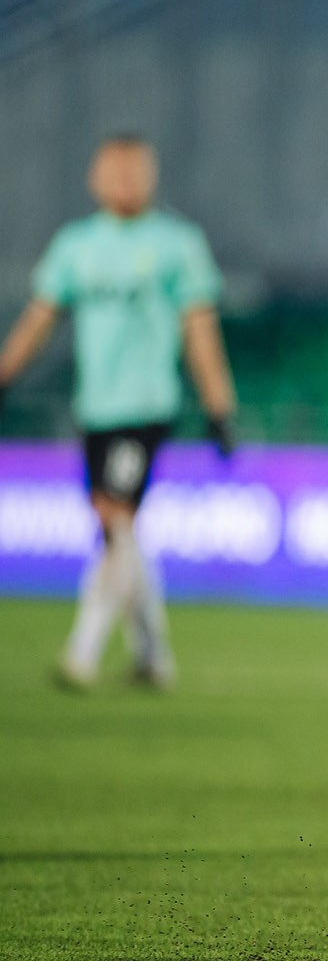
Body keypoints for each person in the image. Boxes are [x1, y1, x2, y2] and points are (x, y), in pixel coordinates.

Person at [0, 133, 237, 690]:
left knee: (114, 517)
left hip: (147, 405)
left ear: (151, 177)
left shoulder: (177, 244)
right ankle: (153, 655)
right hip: (96, 408)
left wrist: (218, 405)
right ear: (95, 178)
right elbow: (40, 316)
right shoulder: (76, 245)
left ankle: (82, 653)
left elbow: (199, 327)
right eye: (114, 170)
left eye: (134, 171)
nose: (124, 180)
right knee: (120, 528)